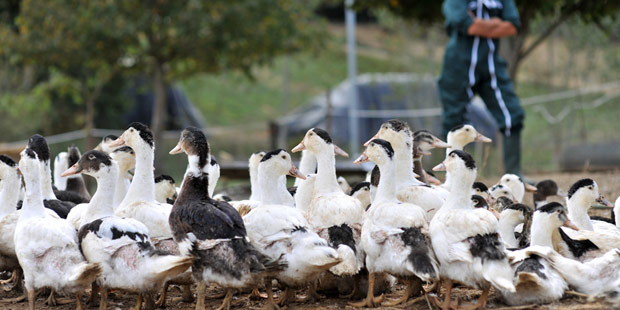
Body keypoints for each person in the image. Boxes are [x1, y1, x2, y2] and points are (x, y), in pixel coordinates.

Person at [438, 0, 526, 178]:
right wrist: (495, 24)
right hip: (458, 67)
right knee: (453, 121)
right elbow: (466, 26)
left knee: (512, 114)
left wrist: (480, 24)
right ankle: (454, 176)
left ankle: (514, 176)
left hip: (492, 67)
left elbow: (512, 26)